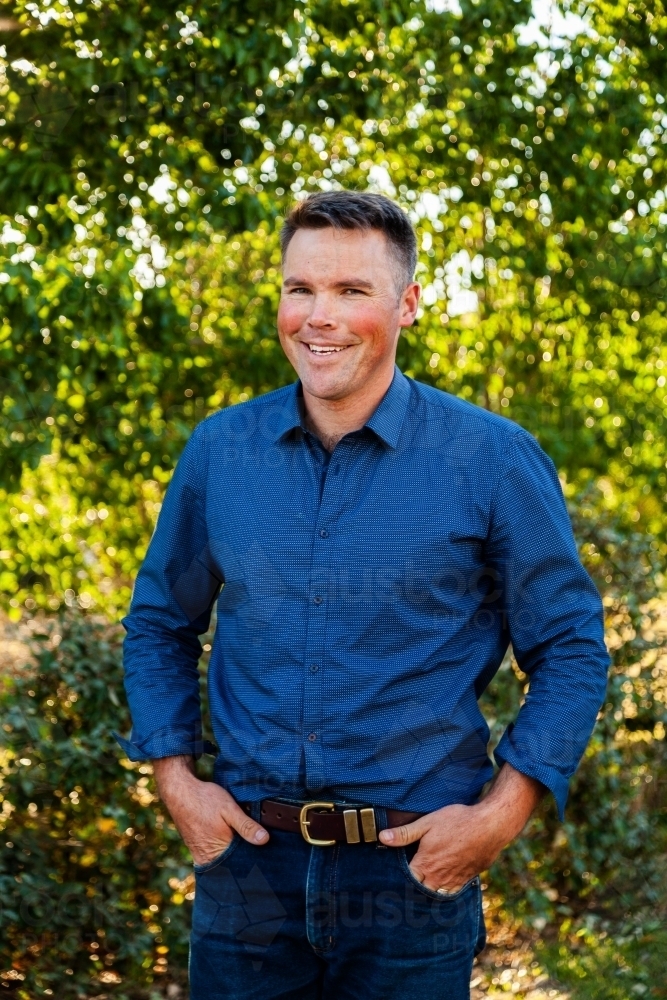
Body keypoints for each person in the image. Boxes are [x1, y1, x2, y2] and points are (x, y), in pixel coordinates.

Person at [116, 191, 609, 999]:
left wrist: (497, 817)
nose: (319, 317)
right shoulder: (221, 450)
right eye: (299, 289)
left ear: (407, 304)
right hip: (246, 871)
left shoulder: (489, 459)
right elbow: (159, 624)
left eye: (352, 292)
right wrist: (177, 783)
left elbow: (569, 650)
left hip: (410, 877)